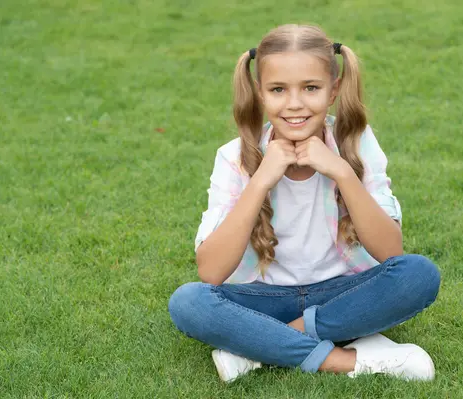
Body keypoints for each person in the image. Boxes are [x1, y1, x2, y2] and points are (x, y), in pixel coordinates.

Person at [168, 24, 441, 383]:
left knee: (419, 275)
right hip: (263, 298)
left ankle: (259, 348)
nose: (294, 104)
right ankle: (348, 360)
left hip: (342, 292)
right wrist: (263, 178)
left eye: (310, 88)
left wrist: (342, 172)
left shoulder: (356, 144)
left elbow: (392, 252)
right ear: (260, 93)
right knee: (188, 302)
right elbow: (211, 272)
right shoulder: (234, 156)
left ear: (333, 90)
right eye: (278, 90)